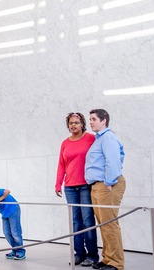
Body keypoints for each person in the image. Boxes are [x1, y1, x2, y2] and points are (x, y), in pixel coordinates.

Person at [55, 112, 99, 267]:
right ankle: (79, 254)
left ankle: (93, 256)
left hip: (86, 185)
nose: (73, 125)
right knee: (76, 221)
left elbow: (102, 149)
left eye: (76, 122)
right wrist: (58, 183)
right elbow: (61, 164)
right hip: (70, 187)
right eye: (71, 123)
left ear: (82, 124)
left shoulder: (91, 138)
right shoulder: (65, 143)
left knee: (88, 220)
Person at [85, 109, 126, 270]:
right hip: (97, 185)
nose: (91, 122)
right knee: (103, 224)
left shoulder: (108, 137)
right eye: (90, 119)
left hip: (107, 184)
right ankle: (108, 259)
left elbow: (113, 160)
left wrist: (109, 181)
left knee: (110, 223)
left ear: (104, 120)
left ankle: (116, 263)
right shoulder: (98, 139)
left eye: (94, 119)